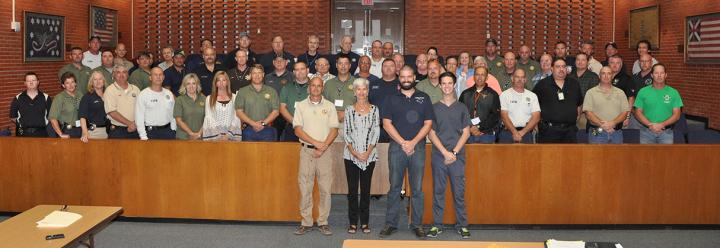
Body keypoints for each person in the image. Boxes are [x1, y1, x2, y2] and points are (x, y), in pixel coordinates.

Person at [379, 66, 434, 239]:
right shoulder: (390, 98)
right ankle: (391, 224)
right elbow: (386, 124)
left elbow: (428, 124)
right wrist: (403, 142)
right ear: (399, 78)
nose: (406, 79)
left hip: (417, 148)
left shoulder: (424, 98)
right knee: (394, 187)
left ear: (414, 77)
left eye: (409, 76)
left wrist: (413, 142)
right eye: (403, 77)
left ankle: (417, 224)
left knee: (417, 189)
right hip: (397, 147)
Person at [426, 72, 471, 239]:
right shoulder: (434, 107)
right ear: (440, 86)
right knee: (438, 191)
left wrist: (453, 153)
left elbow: (466, 133)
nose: (446, 86)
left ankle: (462, 225)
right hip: (439, 156)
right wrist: (445, 152)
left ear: (454, 85)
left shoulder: (462, 108)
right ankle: (437, 225)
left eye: (449, 83)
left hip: (457, 156)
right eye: (443, 83)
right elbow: (431, 133)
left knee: (459, 192)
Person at [292, 77, 339, 236]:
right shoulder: (301, 106)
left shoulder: (330, 106)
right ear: (309, 88)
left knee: (325, 188)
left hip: (325, 153)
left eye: (319, 86)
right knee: (305, 188)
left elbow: (334, 129)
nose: (316, 88)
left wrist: (323, 146)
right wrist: (315, 143)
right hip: (307, 152)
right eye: (313, 85)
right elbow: (297, 130)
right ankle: (306, 222)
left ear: (322, 88)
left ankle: (323, 222)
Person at [342, 78, 380, 235]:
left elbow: (376, 132)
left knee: (365, 190)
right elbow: (346, 132)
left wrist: (367, 152)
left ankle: (364, 222)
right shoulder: (349, 110)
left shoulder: (374, 109)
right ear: (354, 91)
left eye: (364, 89)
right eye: (358, 89)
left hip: (369, 155)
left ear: (368, 91)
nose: (361, 92)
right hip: (351, 156)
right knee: (352, 191)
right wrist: (355, 153)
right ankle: (352, 222)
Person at [533, 58, 583, 143]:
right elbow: (533, 105)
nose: (561, 69)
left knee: (570, 156)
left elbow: (579, 104)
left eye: (563, 67)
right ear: (552, 69)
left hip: (570, 131)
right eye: (558, 67)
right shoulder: (542, 85)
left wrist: (575, 117)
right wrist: (534, 123)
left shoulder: (574, 84)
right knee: (548, 156)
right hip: (548, 131)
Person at [634, 64, 683, 144]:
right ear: (652, 75)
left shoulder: (674, 92)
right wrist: (650, 125)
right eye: (656, 73)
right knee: (646, 156)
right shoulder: (643, 91)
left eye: (662, 73)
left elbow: (677, 115)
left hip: (666, 133)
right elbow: (638, 112)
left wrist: (662, 125)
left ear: (666, 75)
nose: (659, 75)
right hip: (646, 132)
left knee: (666, 156)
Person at [583, 66, 630, 144]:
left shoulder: (620, 92)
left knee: (617, 156)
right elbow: (588, 114)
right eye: (603, 73)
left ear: (612, 76)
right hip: (597, 132)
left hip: (616, 133)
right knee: (596, 156)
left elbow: (624, 113)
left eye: (609, 74)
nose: (606, 76)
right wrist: (603, 125)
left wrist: (613, 123)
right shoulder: (591, 92)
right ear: (599, 76)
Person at [235, 65, 280, 141]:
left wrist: (263, 124)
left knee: (269, 153)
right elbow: (239, 112)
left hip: (267, 130)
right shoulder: (242, 91)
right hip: (248, 130)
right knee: (248, 153)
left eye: (259, 73)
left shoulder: (272, 91)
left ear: (263, 74)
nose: (257, 75)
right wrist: (253, 124)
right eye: (254, 73)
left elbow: (276, 111)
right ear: (250, 75)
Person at [459, 67, 500, 144]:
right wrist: (470, 127)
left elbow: (495, 116)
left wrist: (479, 127)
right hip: (467, 134)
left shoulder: (493, 95)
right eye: (477, 74)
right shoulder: (465, 94)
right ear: (473, 76)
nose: (479, 77)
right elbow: (460, 114)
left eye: (482, 75)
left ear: (487, 77)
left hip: (486, 135)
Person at [499, 69, 541, 144]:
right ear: (512, 78)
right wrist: (514, 132)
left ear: (525, 80)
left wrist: (522, 132)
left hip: (527, 133)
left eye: (522, 77)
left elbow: (536, 117)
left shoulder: (532, 96)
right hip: (507, 133)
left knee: (528, 156)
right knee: (505, 156)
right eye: (517, 77)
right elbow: (504, 116)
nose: (519, 79)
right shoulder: (504, 95)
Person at [135, 67, 176, 140]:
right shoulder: (143, 94)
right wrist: (143, 136)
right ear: (150, 77)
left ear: (163, 77)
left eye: (160, 75)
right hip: (151, 133)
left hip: (168, 132)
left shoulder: (169, 94)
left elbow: (173, 114)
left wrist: (173, 130)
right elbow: (139, 118)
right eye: (155, 75)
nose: (158, 77)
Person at [323, 54, 357, 141]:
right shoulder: (328, 84)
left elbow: (363, 104)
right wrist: (335, 113)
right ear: (336, 65)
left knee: (352, 153)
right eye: (340, 63)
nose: (343, 66)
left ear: (349, 66)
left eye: (346, 63)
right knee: (334, 153)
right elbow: (323, 104)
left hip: (352, 125)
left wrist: (346, 113)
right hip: (332, 125)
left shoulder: (357, 83)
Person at [202, 71, 243, 141]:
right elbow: (209, 118)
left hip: (231, 136)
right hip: (214, 137)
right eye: (218, 80)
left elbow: (236, 117)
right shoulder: (209, 98)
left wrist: (228, 135)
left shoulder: (234, 97)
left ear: (227, 82)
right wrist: (219, 136)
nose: (221, 83)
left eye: (223, 80)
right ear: (215, 83)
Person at [10, 72, 51, 137]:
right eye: (28, 81)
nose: (31, 82)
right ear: (25, 83)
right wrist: (24, 124)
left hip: (41, 133)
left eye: (33, 80)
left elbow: (50, 116)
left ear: (38, 82)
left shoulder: (46, 98)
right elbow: (13, 117)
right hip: (23, 133)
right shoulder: (18, 98)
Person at [105, 64, 141, 139]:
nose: (121, 75)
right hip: (118, 131)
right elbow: (112, 112)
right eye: (118, 72)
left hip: (135, 129)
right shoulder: (110, 90)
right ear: (114, 75)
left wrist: (135, 124)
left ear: (128, 75)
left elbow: (141, 109)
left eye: (124, 72)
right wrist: (129, 124)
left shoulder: (135, 89)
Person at [369, 59, 399, 143]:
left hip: (396, 128)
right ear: (381, 69)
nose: (388, 68)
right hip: (376, 127)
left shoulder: (402, 85)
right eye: (385, 66)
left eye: (391, 66)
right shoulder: (373, 84)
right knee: (378, 154)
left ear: (396, 68)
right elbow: (367, 104)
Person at [279, 62, 311, 141]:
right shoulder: (286, 87)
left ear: (307, 70)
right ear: (294, 72)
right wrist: (295, 122)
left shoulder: (315, 87)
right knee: (290, 152)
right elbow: (282, 108)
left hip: (310, 126)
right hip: (291, 126)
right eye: (297, 70)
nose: (300, 72)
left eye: (302, 69)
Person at [49, 72, 83, 138]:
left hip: (80, 129)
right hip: (67, 131)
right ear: (63, 85)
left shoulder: (80, 95)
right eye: (67, 83)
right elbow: (52, 118)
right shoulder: (59, 98)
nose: (70, 85)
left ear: (75, 83)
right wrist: (60, 134)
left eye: (72, 82)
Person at [79, 71, 109, 142]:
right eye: (95, 79)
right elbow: (82, 117)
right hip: (94, 133)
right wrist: (85, 133)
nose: (98, 81)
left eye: (100, 79)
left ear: (104, 81)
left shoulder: (108, 95)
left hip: (109, 132)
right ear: (91, 82)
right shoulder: (87, 97)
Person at [174, 74, 206, 140]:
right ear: (184, 86)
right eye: (188, 84)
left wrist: (199, 133)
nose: (191, 86)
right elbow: (178, 121)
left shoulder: (204, 98)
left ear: (197, 85)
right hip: (183, 137)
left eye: (193, 83)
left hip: (201, 137)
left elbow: (208, 119)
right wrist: (191, 133)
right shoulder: (179, 100)